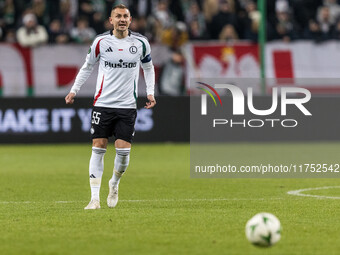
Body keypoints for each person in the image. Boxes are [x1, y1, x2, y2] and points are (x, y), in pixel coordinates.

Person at [65, 4, 156, 210]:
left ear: (130, 20)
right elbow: (87, 66)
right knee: (98, 148)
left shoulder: (141, 43)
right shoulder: (100, 42)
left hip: (127, 106)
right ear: (111, 20)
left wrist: (150, 92)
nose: (122, 19)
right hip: (102, 104)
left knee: (123, 154)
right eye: (118, 16)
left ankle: (114, 183)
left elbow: (148, 68)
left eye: (125, 16)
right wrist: (74, 90)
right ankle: (94, 199)